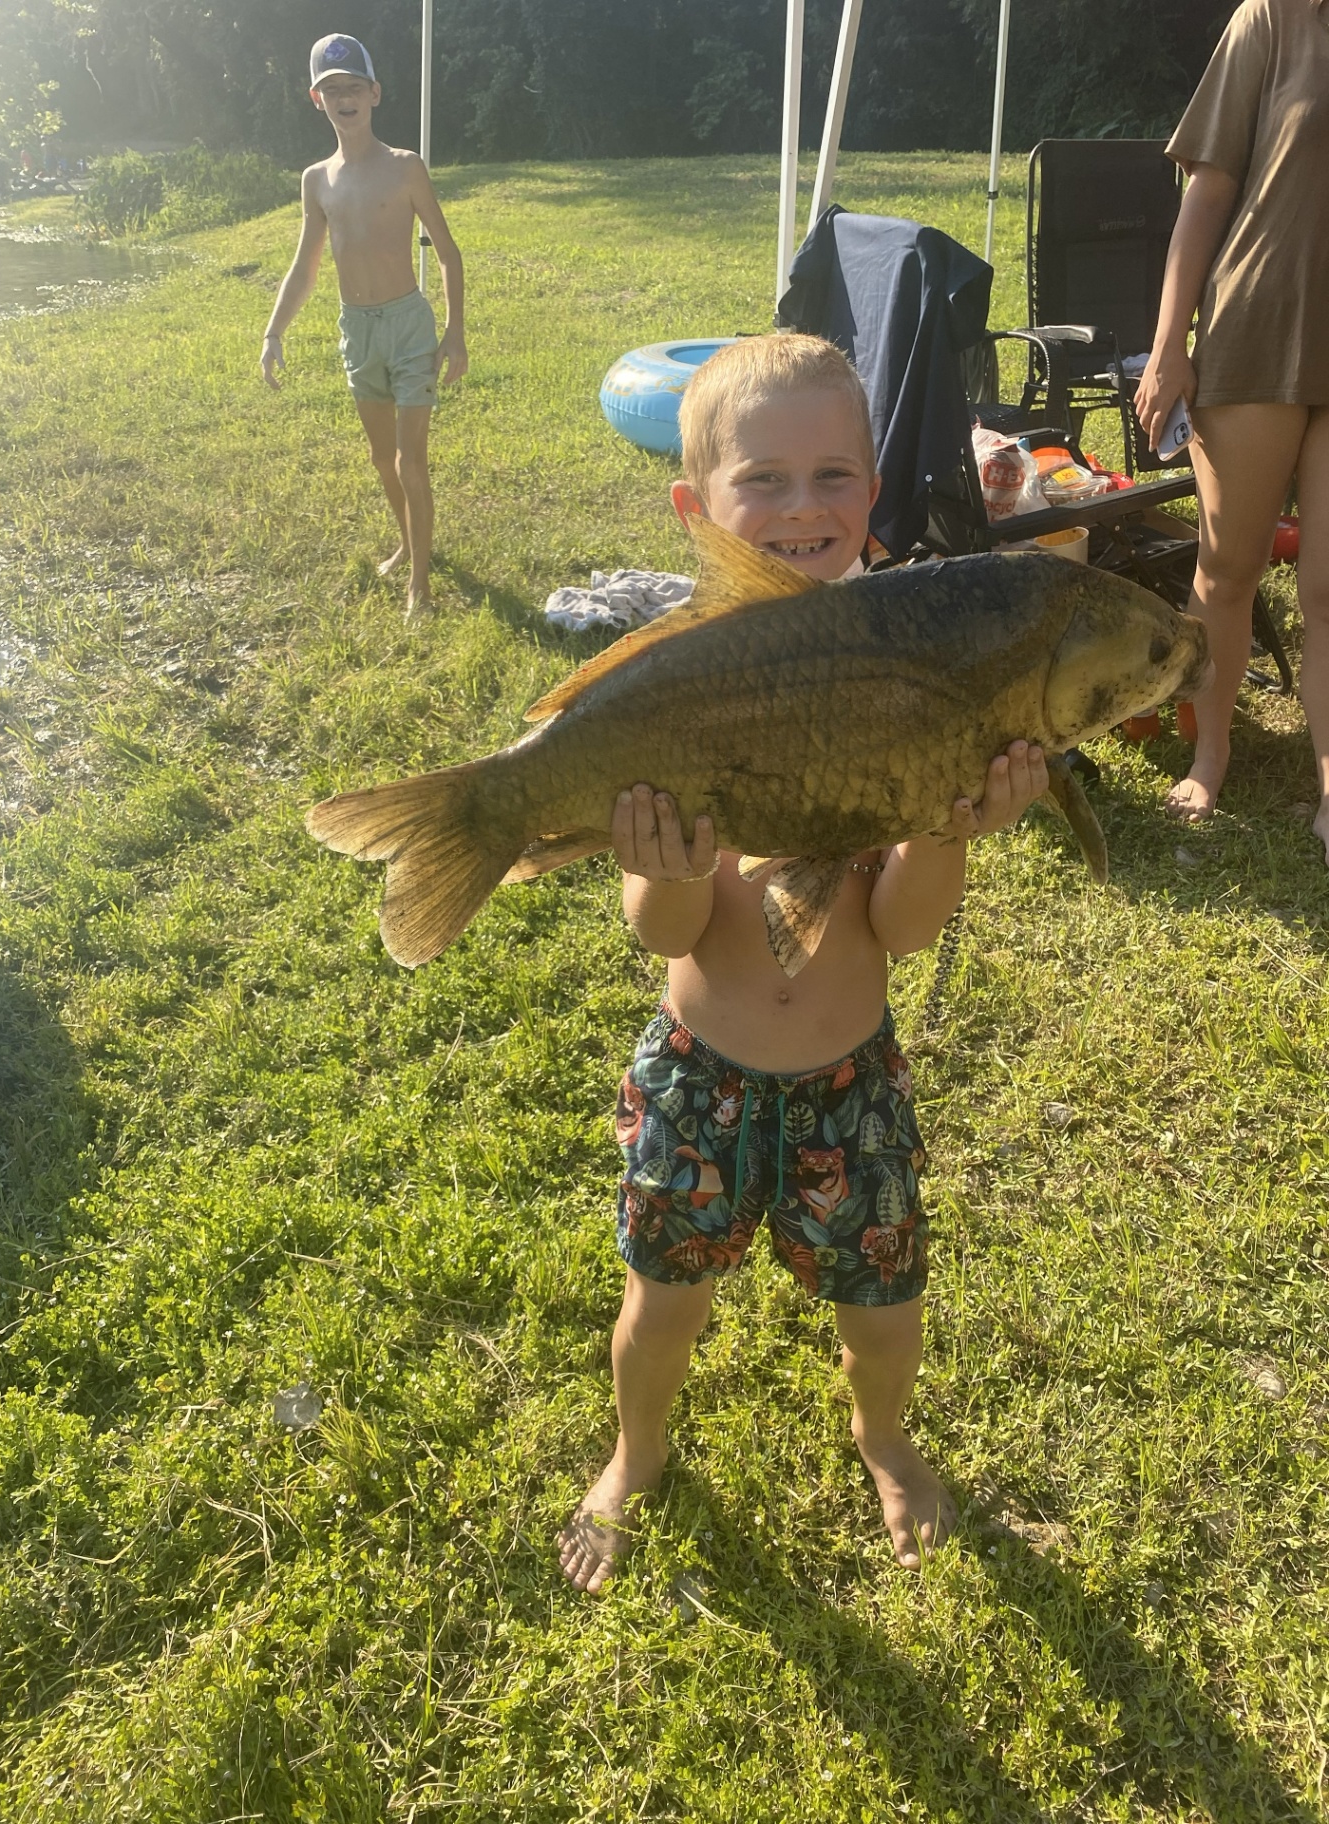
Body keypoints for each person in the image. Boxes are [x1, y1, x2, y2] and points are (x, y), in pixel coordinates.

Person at [557, 336, 1050, 1592]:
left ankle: (882, 1437)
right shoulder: (686, 672)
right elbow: (667, 931)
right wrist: (666, 856)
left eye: (834, 474)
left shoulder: (904, 663)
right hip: (698, 1081)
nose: (801, 506)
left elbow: (902, 928)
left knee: (884, 1318)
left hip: (851, 1086)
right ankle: (638, 1450)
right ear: (696, 509)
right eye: (762, 480)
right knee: (660, 1310)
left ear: (872, 494)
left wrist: (946, 823)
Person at [1135, 0, 1329, 851]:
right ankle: (1209, 753)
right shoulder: (1272, 21)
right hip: (1256, 332)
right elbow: (1205, 196)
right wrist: (1168, 344)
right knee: (1229, 568)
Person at [260, 33, 467, 614]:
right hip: (357, 330)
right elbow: (305, 267)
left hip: (407, 327)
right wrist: (274, 333)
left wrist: (454, 332)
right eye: (332, 90)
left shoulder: (405, 168)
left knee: (411, 458)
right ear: (315, 99)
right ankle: (408, 544)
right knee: (382, 458)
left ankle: (419, 587)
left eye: (354, 87)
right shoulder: (316, 180)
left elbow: (448, 253)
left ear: (374, 93)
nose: (344, 98)